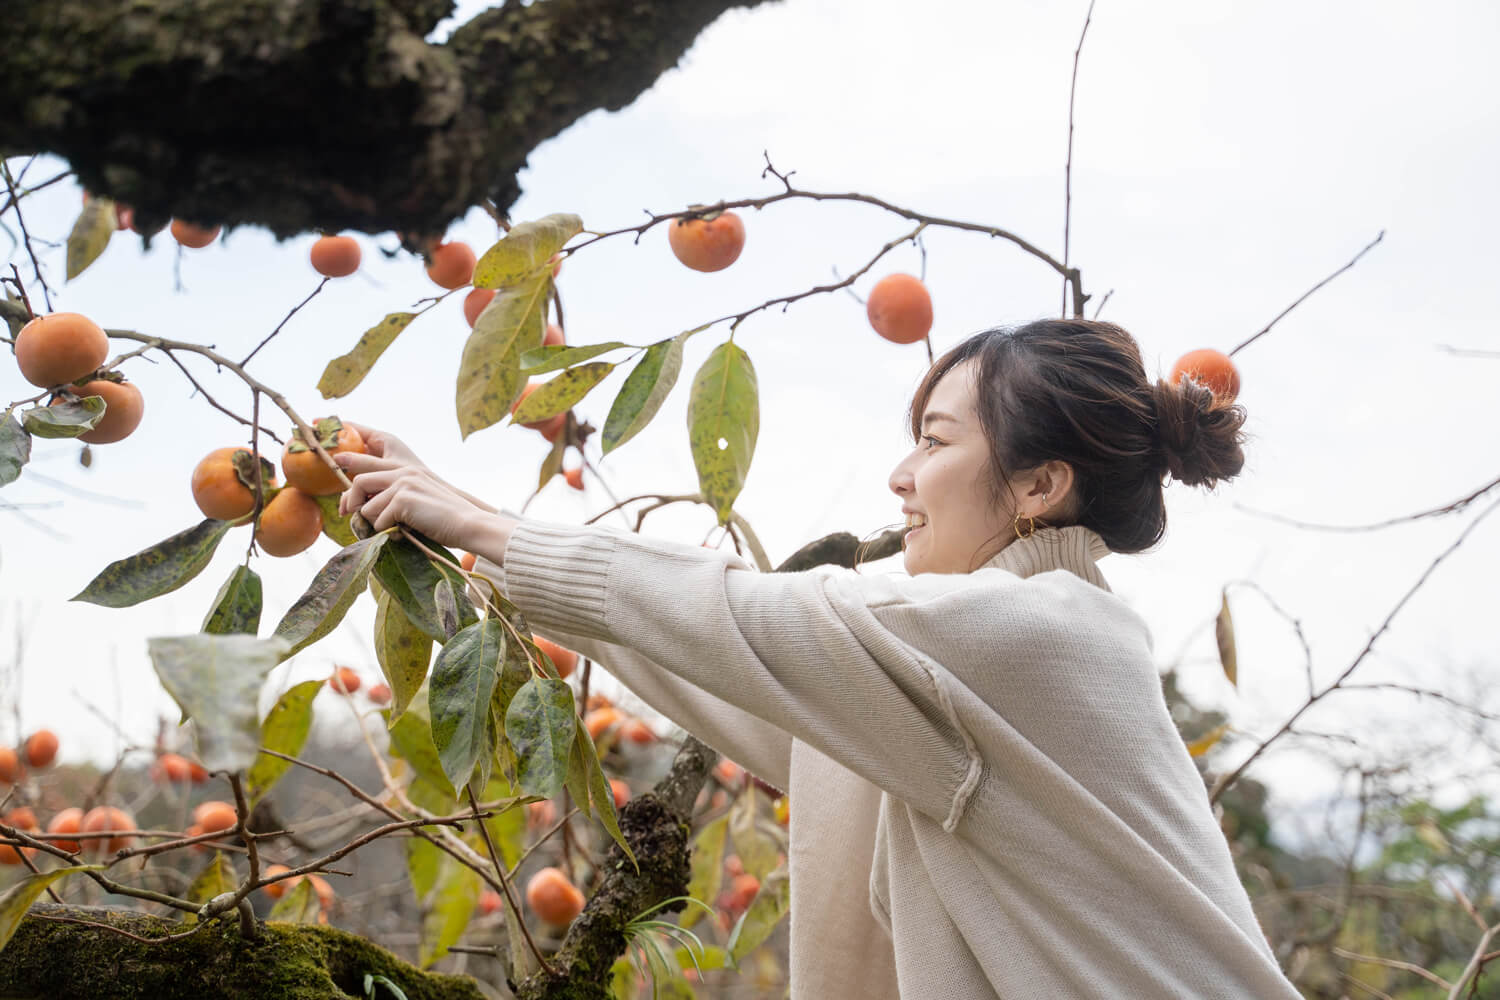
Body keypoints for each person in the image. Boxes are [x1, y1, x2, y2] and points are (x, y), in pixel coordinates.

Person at [336, 318, 1302, 998]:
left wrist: (480, 521)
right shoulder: (937, 683)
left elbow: (748, 617)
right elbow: (722, 661)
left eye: (933, 440)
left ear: (1042, 484)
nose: (901, 475)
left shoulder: (1042, 633)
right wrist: (464, 539)